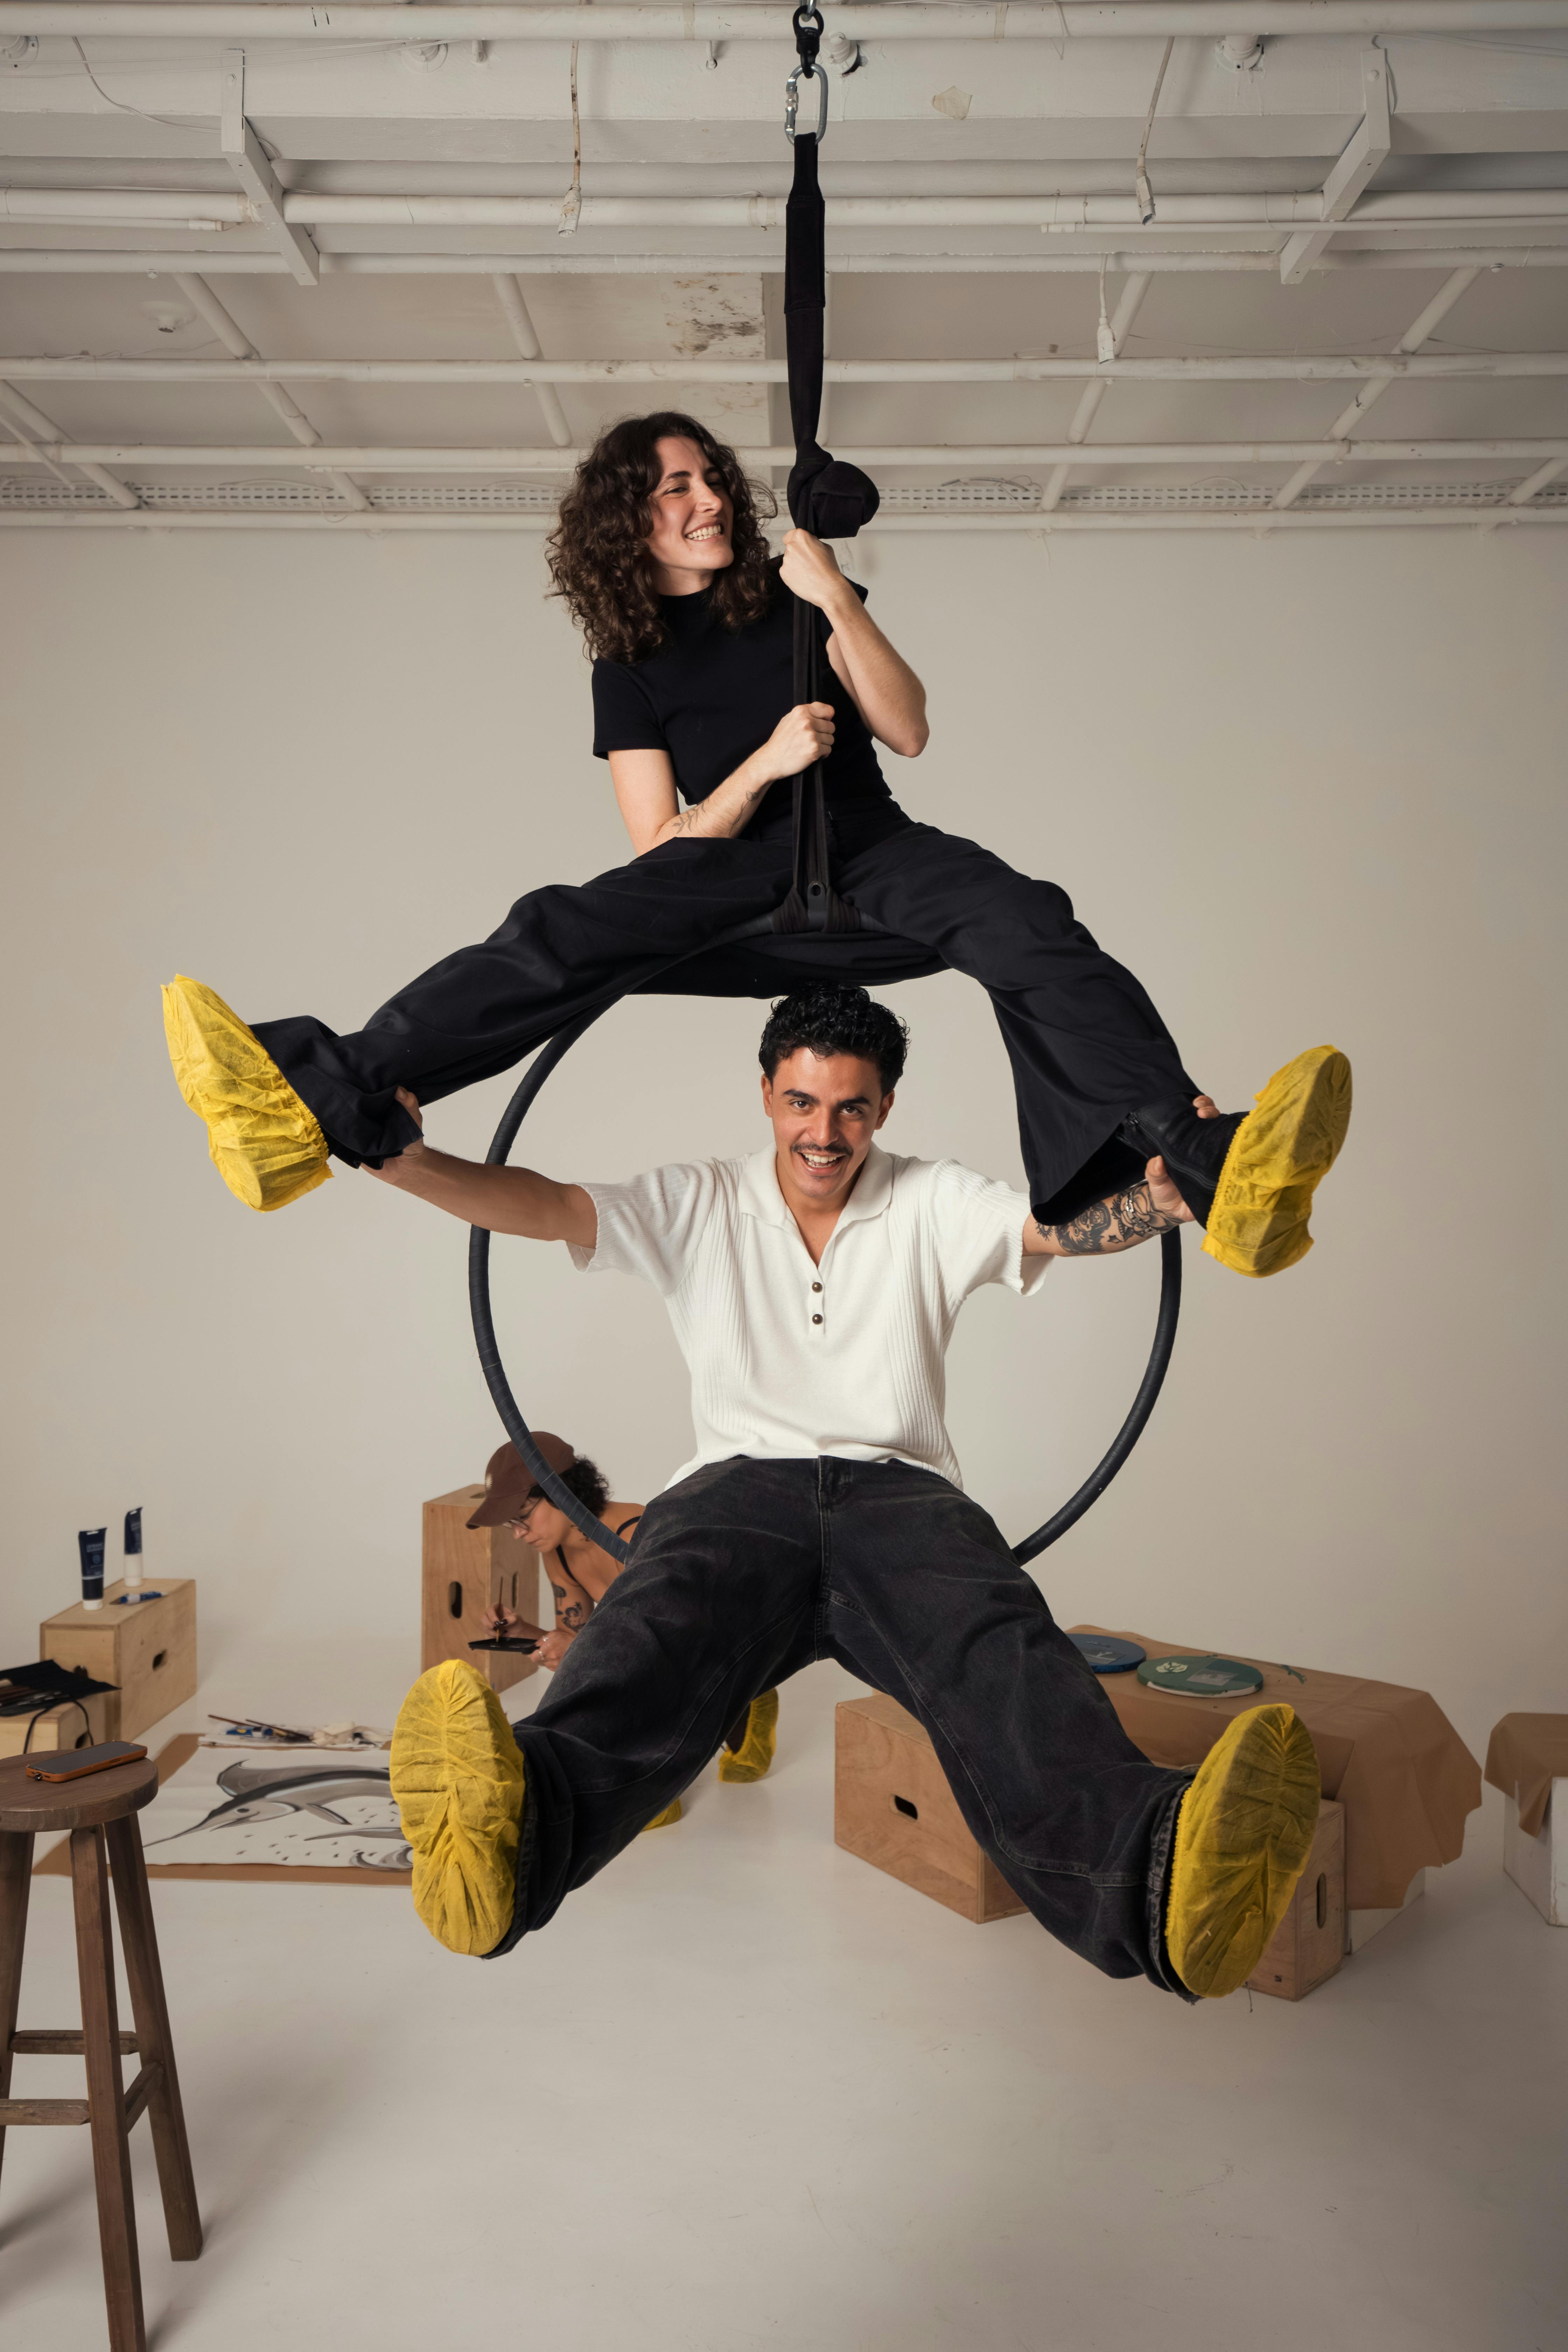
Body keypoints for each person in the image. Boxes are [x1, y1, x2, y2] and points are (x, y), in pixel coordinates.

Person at [161, 409, 1350, 1285]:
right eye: (676, 488)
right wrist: (768, 765)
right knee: (556, 930)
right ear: (631, 521)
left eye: (710, 479)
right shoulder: (627, 667)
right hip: (725, 880)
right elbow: (659, 842)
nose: (709, 500)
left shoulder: (791, 599)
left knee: (1032, 921)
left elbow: (909, 726)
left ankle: (1204, 1161)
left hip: (873, 856)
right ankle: (327, 1103)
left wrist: (835, 596)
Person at [377, 983, 1322, 2001]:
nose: (821, 1132)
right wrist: (400, 1156)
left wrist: (1168, 1196)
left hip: (899, 1497)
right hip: (734, 1494)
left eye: (848, 1108)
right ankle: (504, 1842)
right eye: (800, 1102)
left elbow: (1060, 1228)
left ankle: (1161, 1876)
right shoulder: (695, 1199)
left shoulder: (930, 1199)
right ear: (765, 1093)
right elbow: (544, 1204)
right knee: (648, 1639)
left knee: (998, 1654)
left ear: (883, 1105)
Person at [469, 1432, 779, 1816]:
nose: (518, 1534)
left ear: (562, 1491)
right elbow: (579, 1644)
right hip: (658, 1642)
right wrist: (524, 1634)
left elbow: (672, 1638)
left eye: (524, 1517)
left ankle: (751, 1697)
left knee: (637, 1677)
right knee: (592, 1682)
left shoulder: (637, 1533)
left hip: (717, 1638)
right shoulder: (558, 1553)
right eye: (510, 1524)